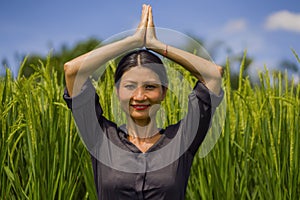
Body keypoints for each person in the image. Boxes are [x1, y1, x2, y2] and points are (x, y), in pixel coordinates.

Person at [63, 4, 224, 200]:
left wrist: (156, 45)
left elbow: (213, 75)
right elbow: (72, 70)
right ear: (117, 91)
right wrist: (133, 41)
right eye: (130, 86)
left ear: (163, 92)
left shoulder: (182, 140)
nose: (139, 96)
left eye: (149, 87)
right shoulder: (100, 137)